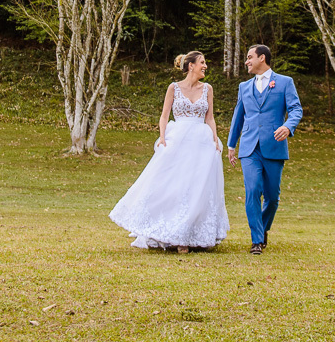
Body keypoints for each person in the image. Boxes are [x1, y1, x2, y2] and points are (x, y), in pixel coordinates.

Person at [109, 51, 230, 251]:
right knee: (174, 186)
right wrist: (163, 137)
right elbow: (164, 116)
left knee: (197, 188)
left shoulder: (208, 89)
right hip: (178, 139)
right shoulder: (174, 88)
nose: (205, 66)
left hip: (201, 142)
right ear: (191, 66)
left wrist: (215, 139)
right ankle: (172, 233)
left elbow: (210, 118)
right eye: (202, 62)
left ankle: (189, 235)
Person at [226, 44, 302, 255]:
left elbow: (296, 109)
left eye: (249, 57)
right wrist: (231, 145)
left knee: (272, 196)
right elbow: (238, 116)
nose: (247, 61)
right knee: (252, 190)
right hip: (249, 148)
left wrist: (288, 126)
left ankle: (263, 227)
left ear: (262, 58)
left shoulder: (285, 83)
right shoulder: (244, 87)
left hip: (274, 145)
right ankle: (256, 240)